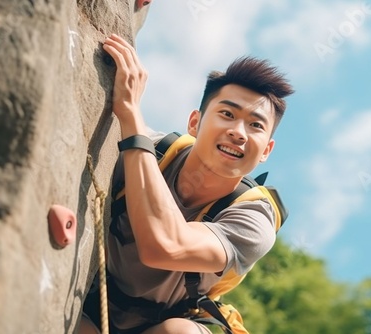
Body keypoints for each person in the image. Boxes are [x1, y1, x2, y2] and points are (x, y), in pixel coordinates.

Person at [79, 33, 294, 334]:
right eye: (227, 114)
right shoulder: (151, 151)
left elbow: (166, 246)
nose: (239, 132)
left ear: (266, 151)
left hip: (162, 324)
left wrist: (130, 111)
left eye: (255, 125)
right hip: (88, 303)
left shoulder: (254, 218)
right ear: (194, 123)